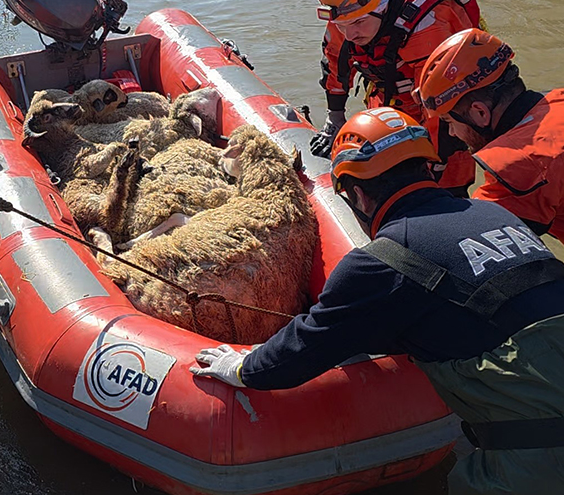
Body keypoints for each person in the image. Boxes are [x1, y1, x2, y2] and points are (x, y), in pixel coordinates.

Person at [191, 107, 564, 494]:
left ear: (357, 194)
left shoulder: (383, 261)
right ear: (427, 168)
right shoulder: (496, 215)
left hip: (542, 451)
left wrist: (243, 367)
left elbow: (306, 347)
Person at [310, 0, 478, 196]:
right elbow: (335, 62)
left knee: (446, 181)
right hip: (388, 91)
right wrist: (334, 118)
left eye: (358, 23)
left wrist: (432, 162)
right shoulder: (347, 13)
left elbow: (443, 106)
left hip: (446, 110)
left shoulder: (428, 24)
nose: (350, 34)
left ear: (382, 5)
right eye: (342, 26)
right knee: (379, 179)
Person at [417, 28, 564, 242]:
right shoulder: (557, 100)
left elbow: (464, 235)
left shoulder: (521, 164)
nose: (451, 133)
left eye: (449, 122)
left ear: (480, 113)